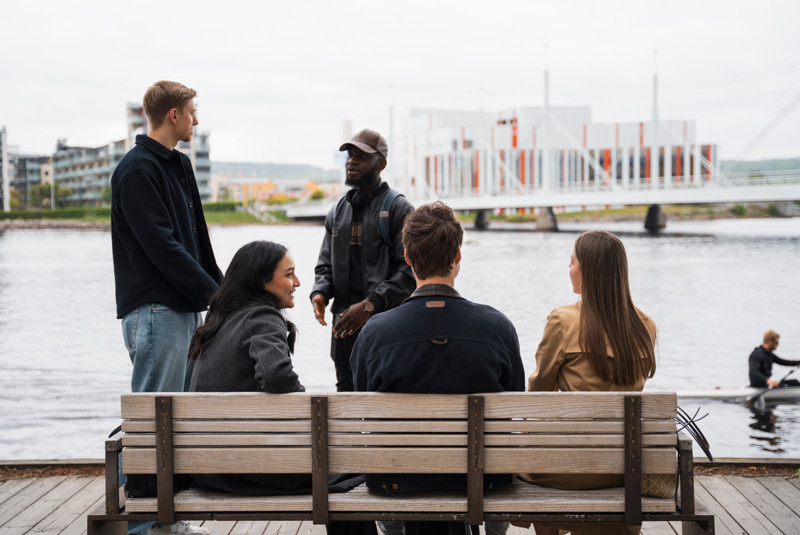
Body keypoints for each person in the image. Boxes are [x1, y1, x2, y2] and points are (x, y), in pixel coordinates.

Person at [351, 201, 524, 535]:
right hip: (482, 480)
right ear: (458, 255)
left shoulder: (375, 332)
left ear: (407, 257)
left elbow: (362, 407)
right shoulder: (497, 328)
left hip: (397, 480)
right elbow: (514, 402)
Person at [111, 80, 222, 535]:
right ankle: (143, 527)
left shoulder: (179, 164)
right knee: (150, 419)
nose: (197, 119)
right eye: (193, 111)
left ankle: (166, 519)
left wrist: (224, 292)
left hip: (182, 307)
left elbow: (197, 239)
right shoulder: (136, 169)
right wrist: (214, 294)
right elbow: (162, 246)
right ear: (173, 114)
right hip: (156, 311)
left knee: (173, 418)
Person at [522, 230, 657, 535]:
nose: (568, 268)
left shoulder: (562, 320)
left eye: (572, 262)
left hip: (563, 471)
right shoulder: (645, 326)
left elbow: (538, 393)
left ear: (588, 271)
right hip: (623, 469)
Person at [188, 241, 311, 495]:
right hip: (245, 468)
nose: (297, 282)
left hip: (207, 467)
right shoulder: (261, 316)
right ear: (262, 282)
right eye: (289, 274)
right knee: (349, 466)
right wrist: (310, 413)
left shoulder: (220, 319)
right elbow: (277, 378)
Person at [311, 128, 415, 392]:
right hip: (343, 328)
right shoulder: (337, 211)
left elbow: (410, 272)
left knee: (387, 397)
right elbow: (325, 265)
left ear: (381, 164)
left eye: (362, 156)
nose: (352, 161)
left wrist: (370, 305)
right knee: (345, 396)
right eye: (349, 154)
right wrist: (320, 292)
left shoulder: (399, 209)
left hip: (387, 328)